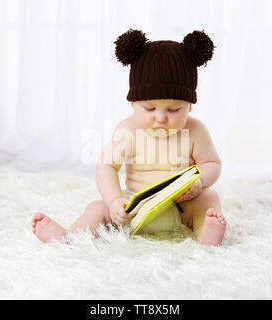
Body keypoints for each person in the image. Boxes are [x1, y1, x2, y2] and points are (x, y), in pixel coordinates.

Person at [32, 29, 226, 246]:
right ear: (133, 103)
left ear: (190, 105)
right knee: (97, 208)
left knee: (209, 198)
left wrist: (199, 183)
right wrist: (115, 201)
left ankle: (205, 232)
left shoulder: (196, 130)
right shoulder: (128, 130)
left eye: (173, 110)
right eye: (150, 108)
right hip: (134, 209)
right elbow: (106, 166)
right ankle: (68, 238)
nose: (161, 118)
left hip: (180, 207)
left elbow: (212, 163)